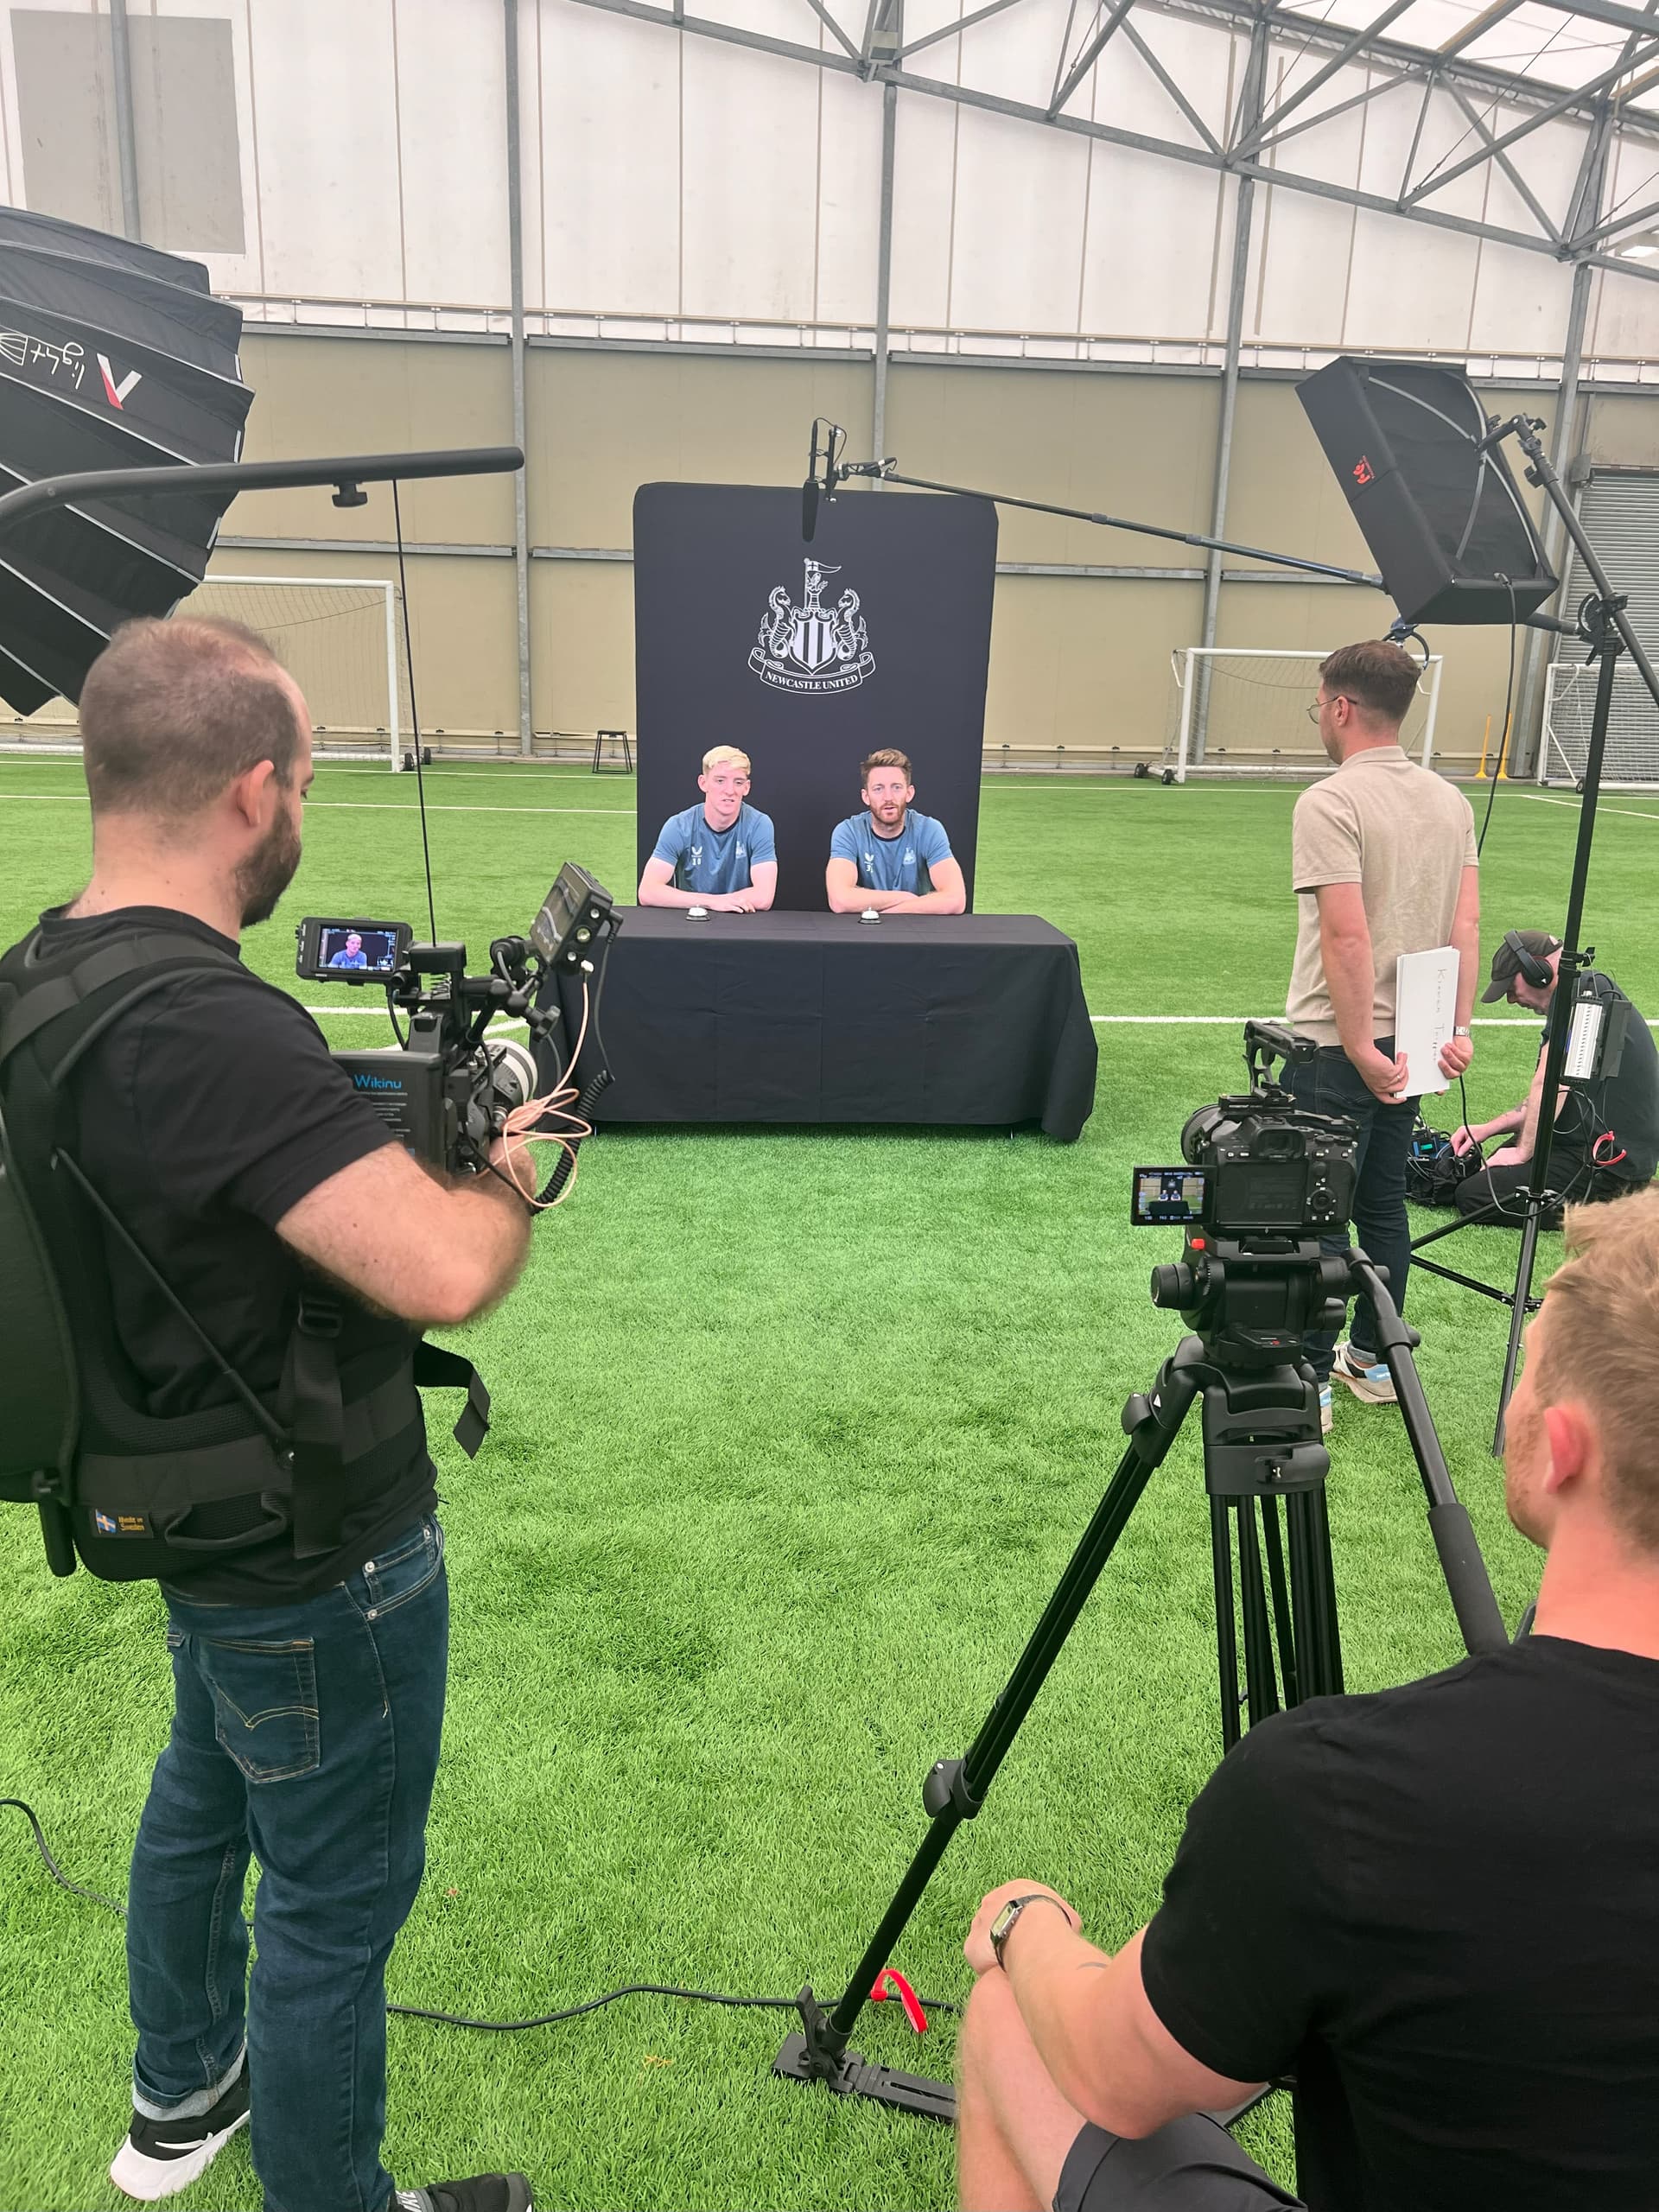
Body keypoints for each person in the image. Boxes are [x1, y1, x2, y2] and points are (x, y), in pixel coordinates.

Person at [0, 620, 535, 2212]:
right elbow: (442, 1269)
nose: (304, 807)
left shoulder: (42, 969)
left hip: (175, 1500)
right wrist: (513, 1168)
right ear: (252, 792)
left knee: (205, 1786)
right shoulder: (212, 1025)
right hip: (316, 1542)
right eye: (304, 778)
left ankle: (182, 2093)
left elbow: (184, 1186)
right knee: (329, 1907)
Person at [957, 1183, 1659, 2212]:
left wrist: (1022, 1920)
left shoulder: (1345, 1793)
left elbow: (1112, 2072)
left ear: (1561, 1448)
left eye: (1529, 1363)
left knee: (1012, 2020)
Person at [1278, 641, 1479, 1433]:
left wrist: (1358, 1043)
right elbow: (1465, 921)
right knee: (1384, 1208)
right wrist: (1456, 1028)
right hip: (1419, 1042)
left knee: (1316, 1218)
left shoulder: (1329, 800)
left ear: (1340, 706)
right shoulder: (1450, 801)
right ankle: (1371, 1360)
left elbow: (1347, 935)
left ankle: (1312, 1382)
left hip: (1340, 1046)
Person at [1450, 929, 1658, 1222]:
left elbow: (1549, 1084)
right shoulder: (1588, 992)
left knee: (1476, 1196)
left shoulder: (1581, 1000)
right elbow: (1547, 1098)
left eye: (1511, 986)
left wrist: (1521, 1154)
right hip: (1591, 1150)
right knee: (1478, 1170)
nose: (1511, 999)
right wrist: (1488, 1128)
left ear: (1539, 971)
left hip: (1608, 1168)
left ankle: (1617, 1210)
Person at [825, 749, 967, 914]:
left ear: (909, 793)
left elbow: (955, 900)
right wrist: (907, 897)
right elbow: (840, 900)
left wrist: (884, 913)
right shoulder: (848, 831)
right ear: (866, 796)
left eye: (896, 788)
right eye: (878, 789)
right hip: (864, 932)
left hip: (916, 930)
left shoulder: (929, 829)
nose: (888, 797)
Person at [638, 744, 777, 912]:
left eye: (738, 782)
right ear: (703, 783)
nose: (729, 791)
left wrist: (721, 902)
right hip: (693, 920)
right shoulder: (679, 826)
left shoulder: (759, 824)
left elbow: (764, 897)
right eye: (720, 781)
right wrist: (712, 902)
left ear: (746, 788)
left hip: (742, 920)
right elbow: (648, 891)